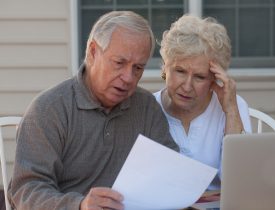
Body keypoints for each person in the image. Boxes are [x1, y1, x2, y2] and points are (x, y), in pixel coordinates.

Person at [8, 11, 178, 210]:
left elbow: (169, 170)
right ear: (92, 52)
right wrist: (80, 205)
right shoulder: (49, 110)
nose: (129, 77)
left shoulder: (146, 107)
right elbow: (25, 191)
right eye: (119, 63)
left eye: (138, 68)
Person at [154, 15, 252, 191]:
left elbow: (242, 180)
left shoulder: (233, 106)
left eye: (200, 77)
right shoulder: (148, 108)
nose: (187, 86)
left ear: (214, 79)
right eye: (180, 71)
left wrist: (230, 111)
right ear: (164, 67)